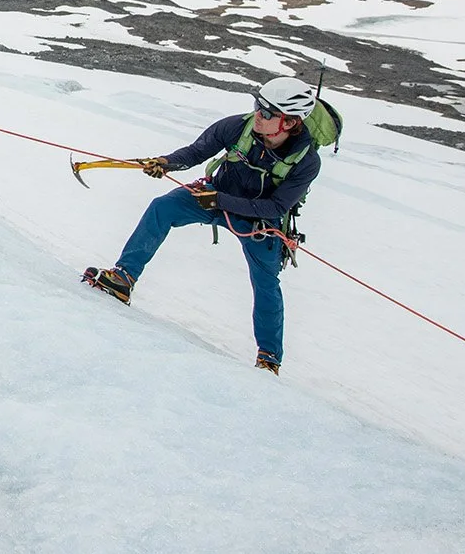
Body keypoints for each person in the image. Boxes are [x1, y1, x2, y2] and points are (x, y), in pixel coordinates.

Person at [83, 76, 323, 374]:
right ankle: (123, 279)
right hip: (214, 196)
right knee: (163, 207)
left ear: (289, 123)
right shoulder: (238, 126)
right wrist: (166, 162)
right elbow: (198, 151)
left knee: (266, 283)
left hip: (259, 220)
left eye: (267, 112)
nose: (258, 114)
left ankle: (269, 357)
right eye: (258, 105)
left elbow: (276, 206)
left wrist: (219, 200)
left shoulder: (306, 161)